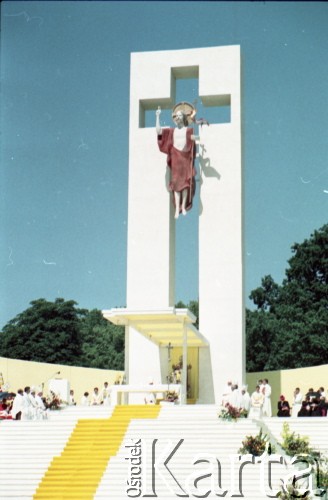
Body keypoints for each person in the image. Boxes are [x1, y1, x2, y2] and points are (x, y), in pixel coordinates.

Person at [156, 102, 197, 219]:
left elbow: (193, 142)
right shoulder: (171, 131)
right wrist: (158, 116)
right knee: (175, 184)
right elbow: (158, 131)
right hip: (175, 159)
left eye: (180, 115)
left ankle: (183, 206)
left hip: (185, 159)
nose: (178, 117)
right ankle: (177, 207)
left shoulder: (189, 130)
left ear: (183, 118)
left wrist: (196, 138)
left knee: (185, 185)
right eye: (176, 116)